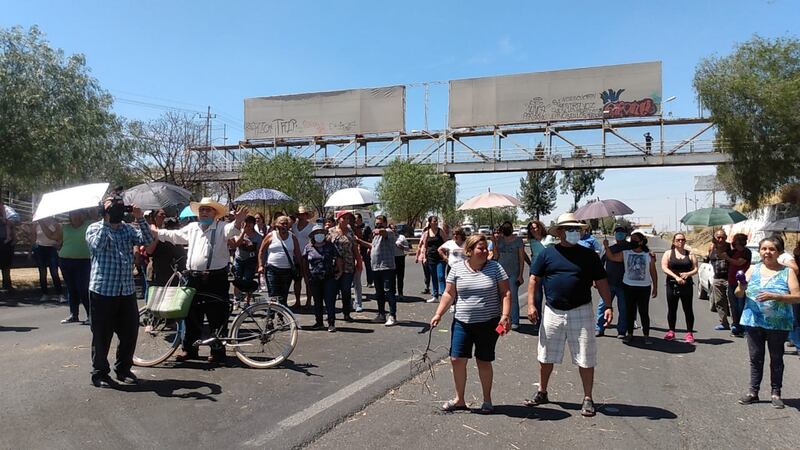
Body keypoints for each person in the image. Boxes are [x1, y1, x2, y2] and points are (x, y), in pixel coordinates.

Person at [525, 213, 613, 417]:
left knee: (585, 356)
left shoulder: (589, 256)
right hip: (552, 311)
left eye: (576, 229)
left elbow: (601, 282)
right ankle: (542, 391)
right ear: (560, 232)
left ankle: (588, 398)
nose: (574, 232)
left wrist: (608, 305)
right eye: (569, 229)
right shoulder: (548, 254)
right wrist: (531, 305)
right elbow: (533, 279)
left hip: (581, 311)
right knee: (545, 355)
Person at [155, 198, 247, 364]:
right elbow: (174, 235)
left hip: (215, 278)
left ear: (215, 213)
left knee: (217, 316)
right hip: (193, 277)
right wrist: (156, 232)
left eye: (208, 210)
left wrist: (238, 221)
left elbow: (232, 230)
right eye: (202, 210)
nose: (204, 212)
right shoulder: (192, 228)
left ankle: (217, 352)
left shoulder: (220, 228)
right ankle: (189, 350)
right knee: (190, 315)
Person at [430, 234, 511, 414]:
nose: (485, 252)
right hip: (462, 322)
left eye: (486, 248)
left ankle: (487, 400)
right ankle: (459, 399)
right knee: (456, 359)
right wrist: (438, 314)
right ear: (469, 251)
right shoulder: (457, 269)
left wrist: (505, 315)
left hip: (488, 323)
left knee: (483, 360)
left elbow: (505, 292)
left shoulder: (495, 268)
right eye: (480, 248)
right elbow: (449, 294)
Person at [86, 196, 152, 387]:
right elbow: (97, 247)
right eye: (112, 208)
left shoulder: (127, 229)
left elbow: (147, 241)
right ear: (103, 211)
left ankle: (123, 369)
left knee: (130, 333)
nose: (117, 212)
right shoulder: (94, 228)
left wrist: (140, 218)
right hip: (103, 291)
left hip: (126, 290)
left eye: (119, 208)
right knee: (101, 334)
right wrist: (107, 221)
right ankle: (99, 373)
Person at [736, 236, 800, 409]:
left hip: (778, 324)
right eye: (764, 249)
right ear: (760, 251)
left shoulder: (787, 272)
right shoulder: (752, 269)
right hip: (753, 321)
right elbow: (739, 294)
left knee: (776, 358)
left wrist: (776, 296)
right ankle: (753, 392)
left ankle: (776, 393)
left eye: (772, 249)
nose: (767, 252)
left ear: (779, 252)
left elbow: (797, 297)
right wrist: (741, 286)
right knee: (755, 358)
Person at [604, 231, 658, 344]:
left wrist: (655, 287)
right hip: (628, 286)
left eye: (635, 239)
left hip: (644, 287)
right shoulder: (625, 253)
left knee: (644, 312)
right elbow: (612, 257)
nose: (632, 241)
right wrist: (606, 247)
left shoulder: (648, 255)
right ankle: (630, 334)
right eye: (631, 239)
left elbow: (653, 272)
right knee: (629, 311)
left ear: (641, 241)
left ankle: (646, 335)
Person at [51, 210, 92, 324]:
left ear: (83, 215)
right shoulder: (64, 227)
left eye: (78, 214)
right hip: (65, 260)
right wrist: (42, 222)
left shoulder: (89, 226)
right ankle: (74, 314)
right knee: (71, 288)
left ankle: (90, 314)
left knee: (82, 288)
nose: (76, 217)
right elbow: (52, 236)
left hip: (84, 261)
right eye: (73, 214)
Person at [302, 224, 342, 332]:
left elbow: (338, 257)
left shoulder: (330, 246)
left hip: (329, 277)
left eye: (321, 233)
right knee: (317, 301)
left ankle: (331, 323)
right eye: (316, 233)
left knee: (329, 301)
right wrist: (306, 275)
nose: (319, 235)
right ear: (313, 235)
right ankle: (319, 322)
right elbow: (304, 262)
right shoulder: (308, 247)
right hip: (314, 278)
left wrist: (340, 270)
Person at [660, 233, 698, 343]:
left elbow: (695, 269)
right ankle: (671, 331)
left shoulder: (690, 254)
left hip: (686, 286)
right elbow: (664, 267)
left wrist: (688, 274)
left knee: (688, 309)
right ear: (673, 242)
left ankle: (689, 333)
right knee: (672, 309)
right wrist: (676, 277)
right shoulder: (668, 253)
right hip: (672, 284)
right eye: (678, 240)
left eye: (682, 240)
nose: (680, 242)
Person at [258, 215, 301, 308]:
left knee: (283, 296)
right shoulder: (270, 235)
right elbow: (261, 251)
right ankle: (271, 317)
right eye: (282, 223)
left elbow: (297, 253)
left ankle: (281, 318)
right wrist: (261, 265)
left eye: (286, 223)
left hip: (287, 270)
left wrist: (300, 267)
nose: (284, 226)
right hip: (272, 270)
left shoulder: (292, 237)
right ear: (277, 225)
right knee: (273, 295)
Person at [596, 224, 631, 338]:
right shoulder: (608, 248)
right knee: (602, 306)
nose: (619, 234)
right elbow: (600, 264)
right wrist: (595, 280)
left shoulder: (630, 248)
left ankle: (622, 330)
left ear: (625, 234)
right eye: (617, 232)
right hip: (608, 283)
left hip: (624, 283)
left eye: (621, 232)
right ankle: (599, 328)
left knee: (623, 308)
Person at [328, 211, 362, 322]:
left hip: (348, 265)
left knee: (346, 290)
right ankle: (330, 314)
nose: (347, 220)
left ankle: (346, 313)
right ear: (339, 219)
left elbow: (355, 247)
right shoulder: (330, 231)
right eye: (344, 218)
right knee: (332, 291)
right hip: (334, 266)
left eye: (348, 218)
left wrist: (359, 261)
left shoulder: (350, 232)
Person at [493, 221, 526, 330]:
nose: (506, 229)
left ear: (512, 229)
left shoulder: (518, 241)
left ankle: (515, 320)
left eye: (508, 227)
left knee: (513, 297)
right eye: (504, 227)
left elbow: (521, 259)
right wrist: (494, 243)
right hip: (501, 272)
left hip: (513, 272)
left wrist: (520, 275)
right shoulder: (500, 240)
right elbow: (496, 256)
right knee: (500, 297)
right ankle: (504, 319)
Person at [369, 215, 399, 326]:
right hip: (376, 267)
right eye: (376, 224)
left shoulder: (389, 232)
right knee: (379, 293)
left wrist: (379, 230)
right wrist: (359, 241)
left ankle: (392, 316)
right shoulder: (375, 236)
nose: (378, 226)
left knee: (389, 292)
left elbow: (384, 232)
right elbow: (373, 247)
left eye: (380, 224)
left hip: (387, 267)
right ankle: (381, 314)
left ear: (385, 223)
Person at [526, 220, 555, 334]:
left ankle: (551, 321)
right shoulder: (531, 241)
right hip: (535, 271)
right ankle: (538, 322)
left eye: (535, 227)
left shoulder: (549, 238)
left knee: (550, 296)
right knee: (537, 298)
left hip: (548, 271)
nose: (534, 230)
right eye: (531, 228)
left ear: (540, 227)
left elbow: (553, 253)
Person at [144, 211, 185, 287]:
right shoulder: (153, 232)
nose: (164, 216)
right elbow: (149, 251)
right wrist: (157, 236)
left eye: (165, 214)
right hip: (159, 273)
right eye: (161, 215)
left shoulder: (173, 234)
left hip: (175, 272)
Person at [723, 233, 752, 337]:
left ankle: (744, 327)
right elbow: (722, 254)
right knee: (733, 306)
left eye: (737, 240)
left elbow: (739, 263)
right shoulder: (733, 251)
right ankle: (736, 326)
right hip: (731, 282)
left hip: (741, 283)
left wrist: (727, 258)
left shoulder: (746, 252)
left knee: (742, 306)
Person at [231, 215, 262, 302]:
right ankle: (236, 298)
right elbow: (236, 243)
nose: (248, 225)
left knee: (248, 280)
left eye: (250, 223)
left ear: (253, 224)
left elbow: (259, 251)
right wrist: (243, 233)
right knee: (237, 280)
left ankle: (248, 299)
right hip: (239, 259)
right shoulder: (238, 233)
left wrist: (259, 264)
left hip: (250, 261)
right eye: (246, 223)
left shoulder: (258, 237)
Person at [31, 217, 63, 298]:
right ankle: (44, 293)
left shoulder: (55, 223)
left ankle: (59, 293)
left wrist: (59, 244)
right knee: (42, 272)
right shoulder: (36, 224)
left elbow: (59, 236)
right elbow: (33, 236)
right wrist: (31, 249)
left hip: (52, 248)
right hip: (40, 248)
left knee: (54, 272)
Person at [708, 230, 732, 330]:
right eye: (718, 237)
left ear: (726, 237)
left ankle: (736, 324)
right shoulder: (711, 247)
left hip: (730, 279)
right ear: (715, 237)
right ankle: (724, 323)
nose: (720, 239)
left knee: (731, 302)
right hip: (717, 278)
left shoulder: (730, 247)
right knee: (719, 302)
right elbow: (708, 259)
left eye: (722, 237)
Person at [291, 206, 314, 309]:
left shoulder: (311, 227)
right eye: (299, 214)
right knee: (297, 280)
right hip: (295, 256)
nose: (301, 216)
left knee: (308, 279)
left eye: (303, 214)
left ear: (306, 215)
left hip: (307, 256)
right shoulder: (294, 227)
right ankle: (297, 301)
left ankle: (309, 300)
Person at [419, 216, 447, 303]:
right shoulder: (427, 233)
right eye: (434, 221)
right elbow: (425, 246)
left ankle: (443, 295)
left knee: (441, 276)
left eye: (436, 221)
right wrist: (424, 257)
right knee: (434, 277)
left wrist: (445, 254)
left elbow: (446, 242)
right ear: (430, 222)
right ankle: (435, 296)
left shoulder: (440, 231)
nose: (436, 223)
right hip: (430, 257)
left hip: (440, 257)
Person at [0, 196, 17, 291]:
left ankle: (7, 284)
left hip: (5, 242)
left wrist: (7, 221)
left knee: (6, 265)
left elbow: (15, 219)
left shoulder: (7, 209)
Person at [390, 223, 410, 301]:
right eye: (392, 228)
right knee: (392, 277)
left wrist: (402, 246)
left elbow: (408, 249)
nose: (393, 230)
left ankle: (400, 293)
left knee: (400, 277)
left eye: (395, 228)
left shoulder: (402, 237)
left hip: (400, 258)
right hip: (391, 258)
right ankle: (393, 293)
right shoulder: (388, 237)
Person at [415, 225, 432, 295]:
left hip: (431, 255)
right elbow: (419, 247)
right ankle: (427, 287)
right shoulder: (423, 236)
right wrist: (417, 257)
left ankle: (435, 288)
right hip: (424, 256)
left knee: (433, 273)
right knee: (427, 273)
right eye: (425, 229)